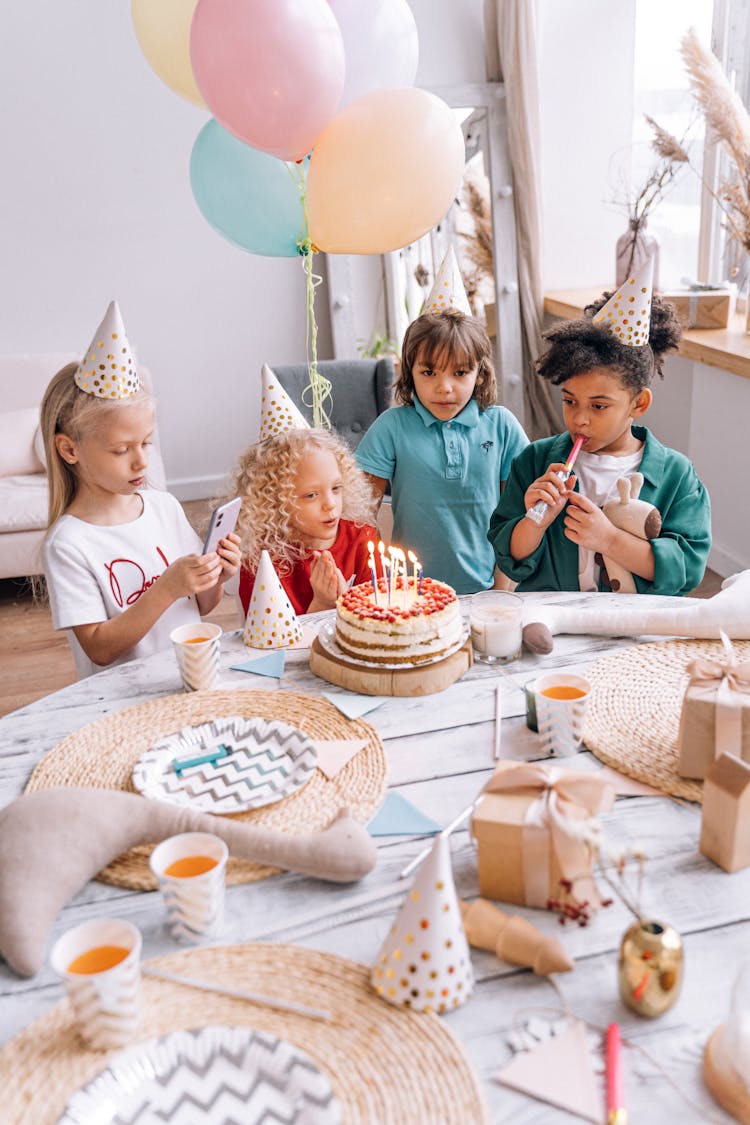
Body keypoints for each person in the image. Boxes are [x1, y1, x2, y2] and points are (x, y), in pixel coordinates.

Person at [41, 302, 241, 678]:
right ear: (70, 449)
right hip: (122, 701)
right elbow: (100, 648)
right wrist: (166, 589)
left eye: (146, 443)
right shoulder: (69, 544)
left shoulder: (164, 507)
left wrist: (216, 576)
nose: (141, 462)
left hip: (187, 677)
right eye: (121, 450)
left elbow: (199, 606)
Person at [488, 285, 711, 595]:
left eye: (599, 406)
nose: (580, 419)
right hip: (555, 625)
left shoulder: (677, 475)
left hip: (638, 628)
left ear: (639, 404)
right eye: (569, 401)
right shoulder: (534, 461)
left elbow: (686, 570)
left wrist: (609, 540)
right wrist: (534, 522)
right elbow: (509, 557)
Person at [355, 309, 529, 594]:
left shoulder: (502, 426)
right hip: (409, 595)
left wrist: (502, 590)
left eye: (460, 373)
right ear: (410, 373)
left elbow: (517, 516)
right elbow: (361, 515)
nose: (444, 387)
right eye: (429, 372)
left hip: (491, 591)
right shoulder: (391, 426)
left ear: (480, 374)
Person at [233, 427, 378, 615]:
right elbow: (268, 637)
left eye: (336, 488)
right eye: (311, 495)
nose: (330, 504)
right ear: (275, 501)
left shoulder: (362, 538)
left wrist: (348, 604)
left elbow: (378, 617)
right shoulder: (262, 561)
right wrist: (322, 605)